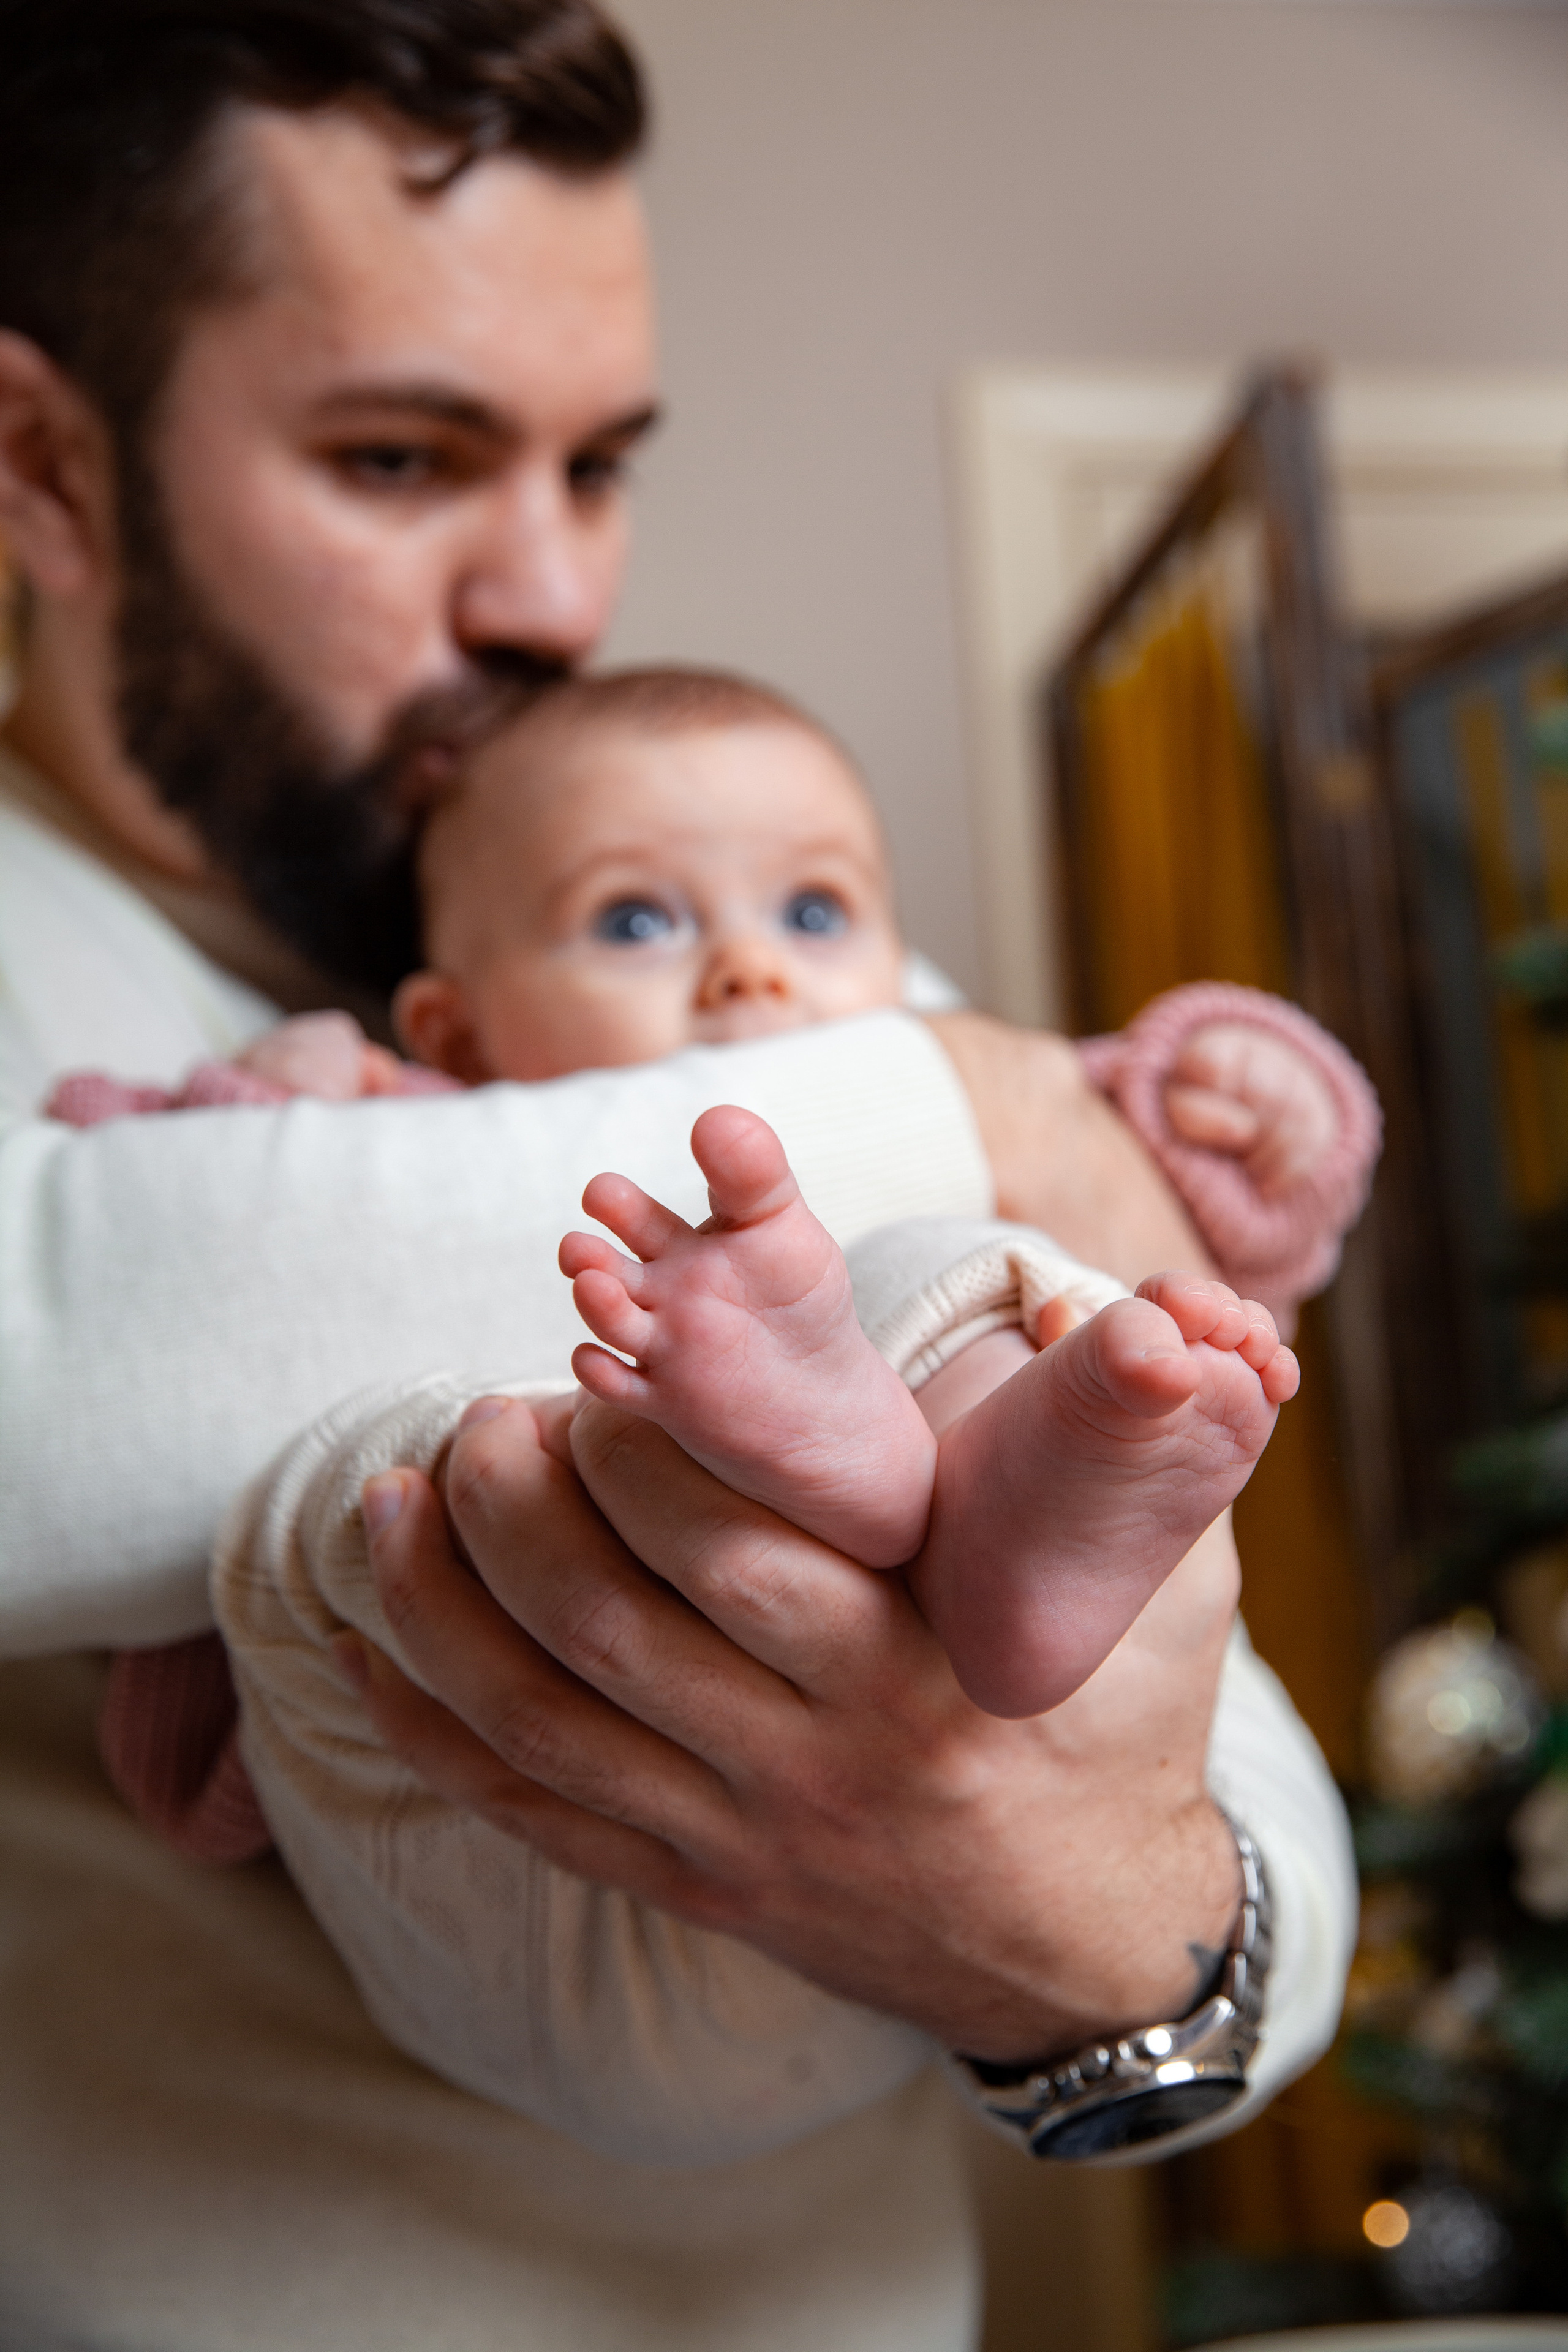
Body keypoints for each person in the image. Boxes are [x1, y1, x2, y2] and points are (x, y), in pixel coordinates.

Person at [0, 6, 1359, 2348]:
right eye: (404, 458)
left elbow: (1264, 1861)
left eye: (601, 464)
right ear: (42, 463)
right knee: (372, 1490)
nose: (551, 596)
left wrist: (1076, 1929)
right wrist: (997, 1108)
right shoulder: (906, 1073)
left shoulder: (784, 980)